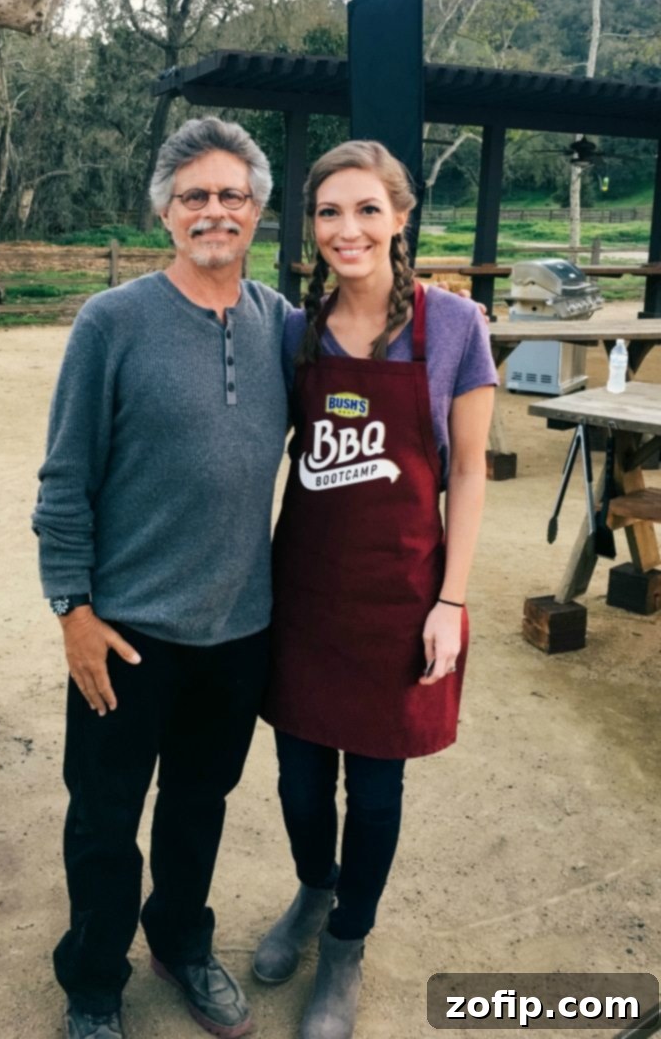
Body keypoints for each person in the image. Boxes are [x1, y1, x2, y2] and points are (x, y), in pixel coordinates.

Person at [32, 116, 291, 1039]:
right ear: (166, 214)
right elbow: (65, 480)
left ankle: (181, 940)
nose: (213, 210)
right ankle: (95, 984)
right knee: (105, 819)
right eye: (194, 196)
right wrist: (72, 609)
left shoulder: (280, 328)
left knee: (198, 807)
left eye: (230, 194)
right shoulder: (114, 322)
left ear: (256, 210)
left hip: (238, 632)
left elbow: (374, 356)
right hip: (126, 631)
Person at [253, 140, 498, 1039]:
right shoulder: (294, 328)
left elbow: (468, 472)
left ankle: (347, 945)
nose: (345, 229)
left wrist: (451, 602)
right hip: (309, 594)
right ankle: (313, 894)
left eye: (365, 209)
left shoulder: (456, 328)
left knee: (379, 793)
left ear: (401, 217)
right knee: (299, 782)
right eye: (328, 212)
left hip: (401, 596)